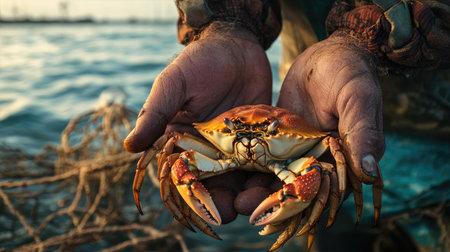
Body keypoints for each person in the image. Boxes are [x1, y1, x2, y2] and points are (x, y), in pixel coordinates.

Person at [124, 0, 449, 241]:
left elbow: (328, 154)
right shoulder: (200, 145)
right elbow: (175, 161)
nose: (248, 142)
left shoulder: (317, 148)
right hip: (312, 79)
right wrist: (226, 23)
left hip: (426, 111)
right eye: (236, 133)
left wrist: (365, 38)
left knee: (348, 173)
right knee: (325, 231)